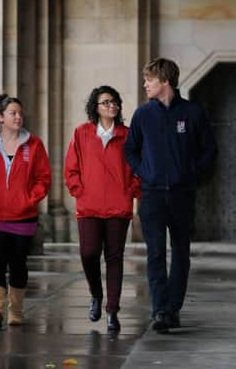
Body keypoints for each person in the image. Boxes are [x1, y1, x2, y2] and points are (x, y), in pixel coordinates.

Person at [124, 58, 217, 333]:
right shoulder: (142, 115)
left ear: (165, 80)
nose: (145, 85)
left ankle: (173, 308)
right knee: (154, 254)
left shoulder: (193, 112)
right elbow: (130, 150)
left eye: (149, 80)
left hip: (181, 195)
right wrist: (145, 173)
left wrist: (191, 175)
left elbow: (210, 150)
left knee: (180, 253)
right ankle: (160, 310)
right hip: (151, 196)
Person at [64, 86, 140, 332]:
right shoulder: (82, 133)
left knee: (115, 258)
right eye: (106, 102)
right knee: (88, 253)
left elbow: (140, 166)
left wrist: (131, 190)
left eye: (114, 101)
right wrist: (79, 190)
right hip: (89, 207)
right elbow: (71, 168)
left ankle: (112, 312)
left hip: (119, 207)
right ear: (95, 108)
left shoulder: (128, 135)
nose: (112, 106)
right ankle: (96, 294)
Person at [0, 94, 51, 330]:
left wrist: (29, 199)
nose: (18, 117)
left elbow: (43, 178)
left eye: (20, 113)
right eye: (12, 113)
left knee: (18, 262)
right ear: (0, 117)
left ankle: (15, 311)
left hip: (23, 215)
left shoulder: (34, 144)